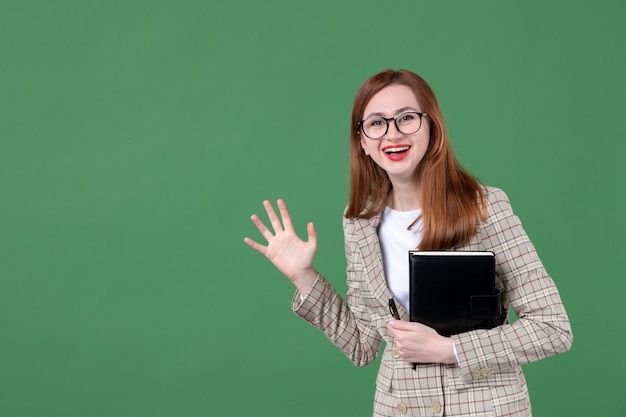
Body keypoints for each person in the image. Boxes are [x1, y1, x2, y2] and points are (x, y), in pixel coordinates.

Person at [244, 69, 572, 417]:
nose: (393, 133)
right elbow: (361, 345)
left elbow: (553, 328)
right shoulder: (358, 222)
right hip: (399, 408)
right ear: (362, 142)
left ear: (431, 127)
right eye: (376, 123)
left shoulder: (483, 207)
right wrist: (303, 276)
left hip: (483, 407)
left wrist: (450, 349)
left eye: (406, 118)